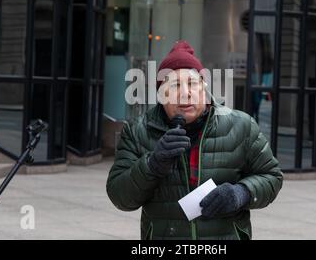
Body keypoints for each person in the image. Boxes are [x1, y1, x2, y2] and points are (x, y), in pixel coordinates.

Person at [106, 41, 283, 240]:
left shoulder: (241, 125)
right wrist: (152, 164)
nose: (185, 93)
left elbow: (272, 176)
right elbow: (120, 196)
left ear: (204, 89)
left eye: (192, 83)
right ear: (161, 95)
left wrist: (241, 193)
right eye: (174, 86)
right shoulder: (137, 131)